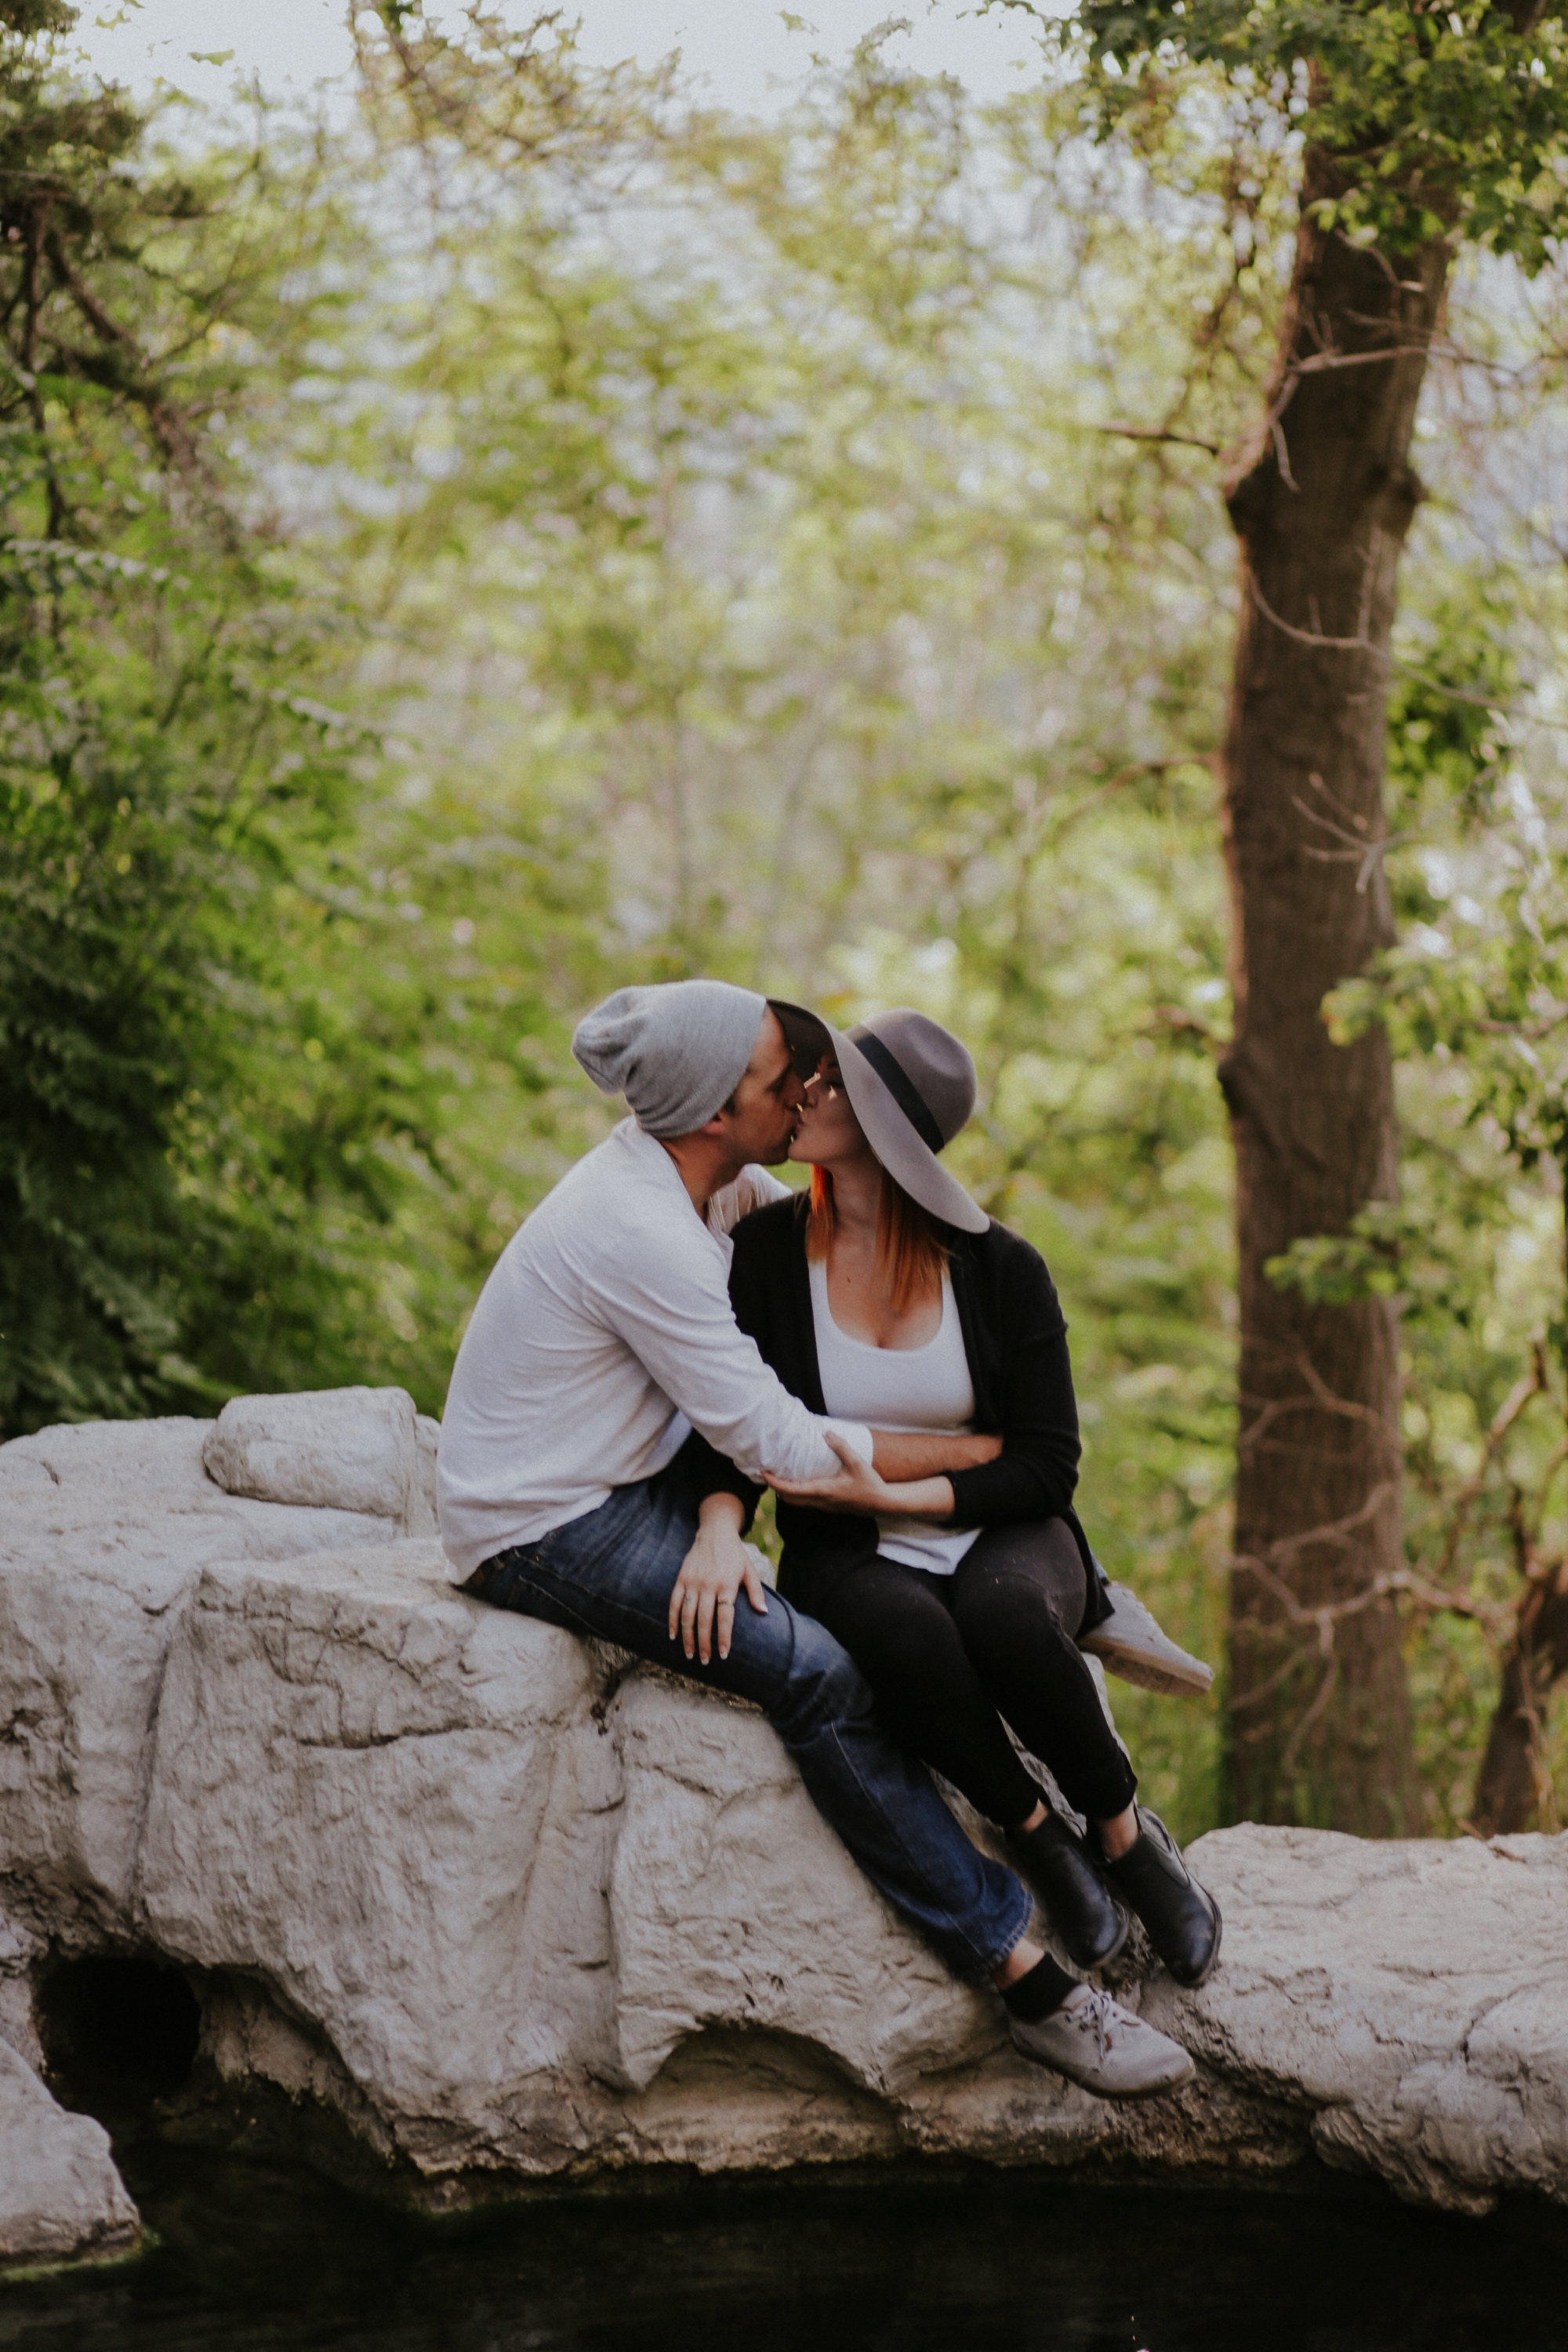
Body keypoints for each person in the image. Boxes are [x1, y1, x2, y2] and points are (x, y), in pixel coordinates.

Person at [437, 978, 1196, 2097]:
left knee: (988, 1611)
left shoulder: (716, 1189)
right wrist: (976, 1459)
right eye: (775, 1077)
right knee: (819, 1673)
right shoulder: (645, 1229)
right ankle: (1025, 1975)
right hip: (542, 1522)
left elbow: (737, 1421)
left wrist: (715, 1520)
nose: (801, 1086)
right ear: (714, 1112)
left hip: (615, 1476)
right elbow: (779, 1445)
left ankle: (1092, 1688)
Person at [718, 1006, 1222, 2005]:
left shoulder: (1000, 1270)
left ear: (884, 1127)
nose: (805, 1091)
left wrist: (906, 1486)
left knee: (997, 1613)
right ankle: (1034, 1834)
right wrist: (719, 1524)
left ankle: (1124, 1835)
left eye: (833, 1082)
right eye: (810, 1077)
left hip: (1004, 1528)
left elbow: (1046, 1466)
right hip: (849, 1547)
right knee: (903, 1630)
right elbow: (729, 1419)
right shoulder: (766, 1252)